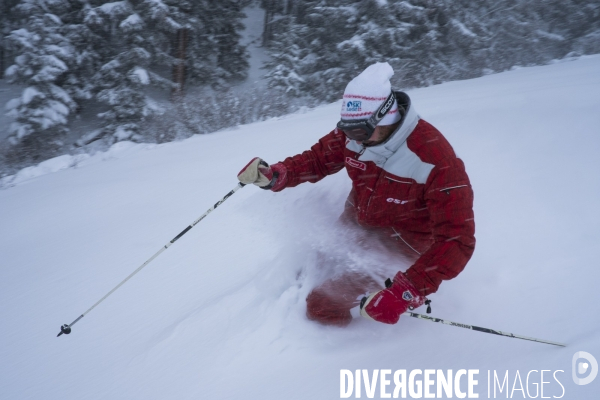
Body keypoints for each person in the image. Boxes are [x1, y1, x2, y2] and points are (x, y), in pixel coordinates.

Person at [237, 62, 475, 327]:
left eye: (358, 131)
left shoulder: (435, 161)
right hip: (357, 221)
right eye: (345, 129)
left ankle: (336, 347)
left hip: (399, 247)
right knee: (313, 262)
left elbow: (457, 240)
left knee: (320, 306)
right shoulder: (354, 134)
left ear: (385, 116)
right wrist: (276, 175)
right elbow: (317, 160)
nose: (351, 139)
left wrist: (407, 291)